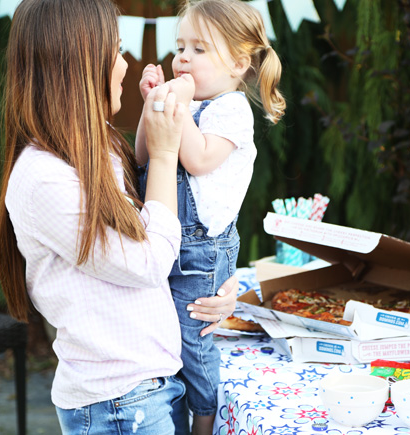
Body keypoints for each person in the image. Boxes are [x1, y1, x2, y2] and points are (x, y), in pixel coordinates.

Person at [0, 0, 237, 433]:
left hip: (148, 390)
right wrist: (163, 153)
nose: (125, 64)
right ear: (78, 64)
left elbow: (163, 245)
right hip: (120, 404)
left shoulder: (93, 151)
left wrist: (216, 286)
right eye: (116, 50)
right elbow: (147, 262)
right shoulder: (44, 178)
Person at [135, 0, 285, 433]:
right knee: (163, 340)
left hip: (201, 248)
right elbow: (144, 155)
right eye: (180, 46)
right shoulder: (191, 105)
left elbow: (198, 159)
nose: (182, 57)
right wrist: (152, 107)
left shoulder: (231, 111)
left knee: (192, 341)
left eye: (199, 49)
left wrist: (175, 106)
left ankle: (205, 420)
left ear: (238, 63)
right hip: (165, 239)